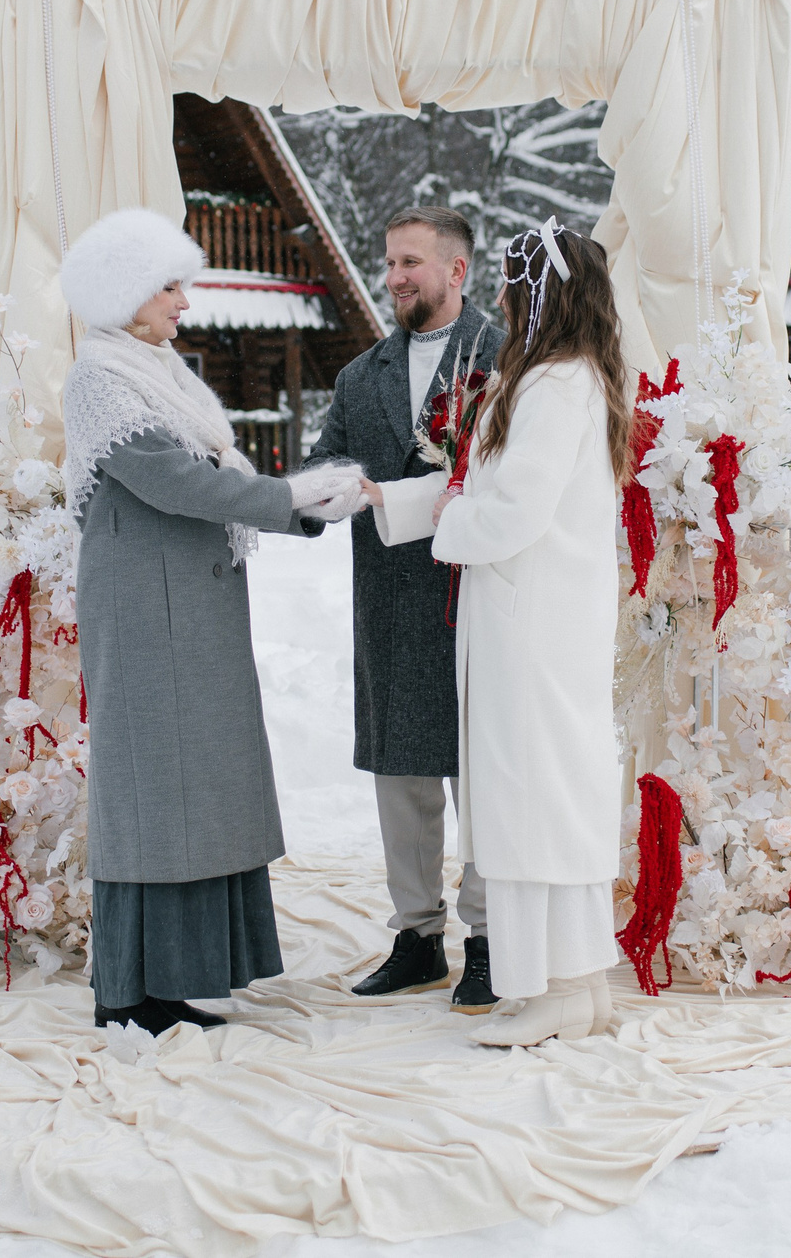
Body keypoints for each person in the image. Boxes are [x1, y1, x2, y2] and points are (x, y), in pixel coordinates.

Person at [59, 208, 367, 1035]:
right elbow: (173, 481)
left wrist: (302, 504)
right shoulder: (100, 379)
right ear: (124, 293)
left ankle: (179, 975)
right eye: (168, 285)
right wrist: (290, 498)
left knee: (195, 788)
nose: (183, 301)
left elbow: (200, 474)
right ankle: (133, 990)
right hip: (147, 610)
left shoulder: (155, 370)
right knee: (157, 790)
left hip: (183, 604)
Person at [365, 222, 631, 1047]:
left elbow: (512, 510)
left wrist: (452, 519)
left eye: (517, 286)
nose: (506, 300)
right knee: (548, 796)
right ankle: (578, 982)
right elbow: (483, 485)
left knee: (529, 801)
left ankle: (555, 985)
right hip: (541, 619)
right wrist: (410, 502)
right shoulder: (568, 375)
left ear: (544, 294)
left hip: (531, 626)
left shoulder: (553, 385)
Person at [303, 208, 505, 1013]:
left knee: (483, 778)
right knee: (403, 779)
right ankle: (417, 938)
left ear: (457, 270)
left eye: (410, 262)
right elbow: (329, 462)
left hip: (478, 598)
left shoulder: (507, 358)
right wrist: (292, 497)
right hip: (388, 603)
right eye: (389, 262)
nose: (394, 277)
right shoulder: (362, 376)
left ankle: (489, 938)